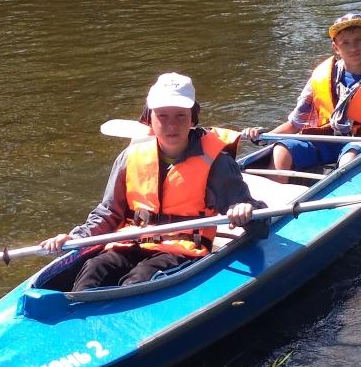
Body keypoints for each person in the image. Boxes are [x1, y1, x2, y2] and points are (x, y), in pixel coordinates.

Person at [41, 72, 264, 291]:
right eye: (162, 116)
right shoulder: (130, 157)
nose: (171, 126)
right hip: (131, 242)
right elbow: (109, 213)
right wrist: (76, 237)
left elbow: (259, 224)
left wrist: (244, 212)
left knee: (139, 280)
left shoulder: (217, 163)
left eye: (180, 116)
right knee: (93, 269)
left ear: (193, 118)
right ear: (150, 118)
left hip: (181, 250)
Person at [245, 12, 361, 182]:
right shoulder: (322, 76)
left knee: (349, 160)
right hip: (329, 137)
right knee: (282, 149)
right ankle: (278, 204)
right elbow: (296, 123)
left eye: (359, 40)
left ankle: (339, 201)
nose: (353, 48)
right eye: (345, 43)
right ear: (335, 47)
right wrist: (263, 136)